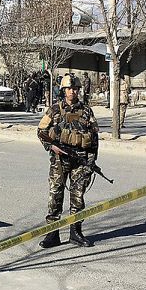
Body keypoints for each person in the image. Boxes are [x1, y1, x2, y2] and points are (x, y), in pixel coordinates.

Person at [36, 73, 100, 248]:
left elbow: (94, 137)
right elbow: (41, 132)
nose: (72, 91)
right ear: (64, 90)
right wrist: (51, 146)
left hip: (80, 160)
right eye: (69, 88)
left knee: (77, 197)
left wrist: (91, 161)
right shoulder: (54, 110)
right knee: (55, 195)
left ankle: (75, 232)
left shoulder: (86, 111)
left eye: (75, 88)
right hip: (59, 160)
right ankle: (52, 234)